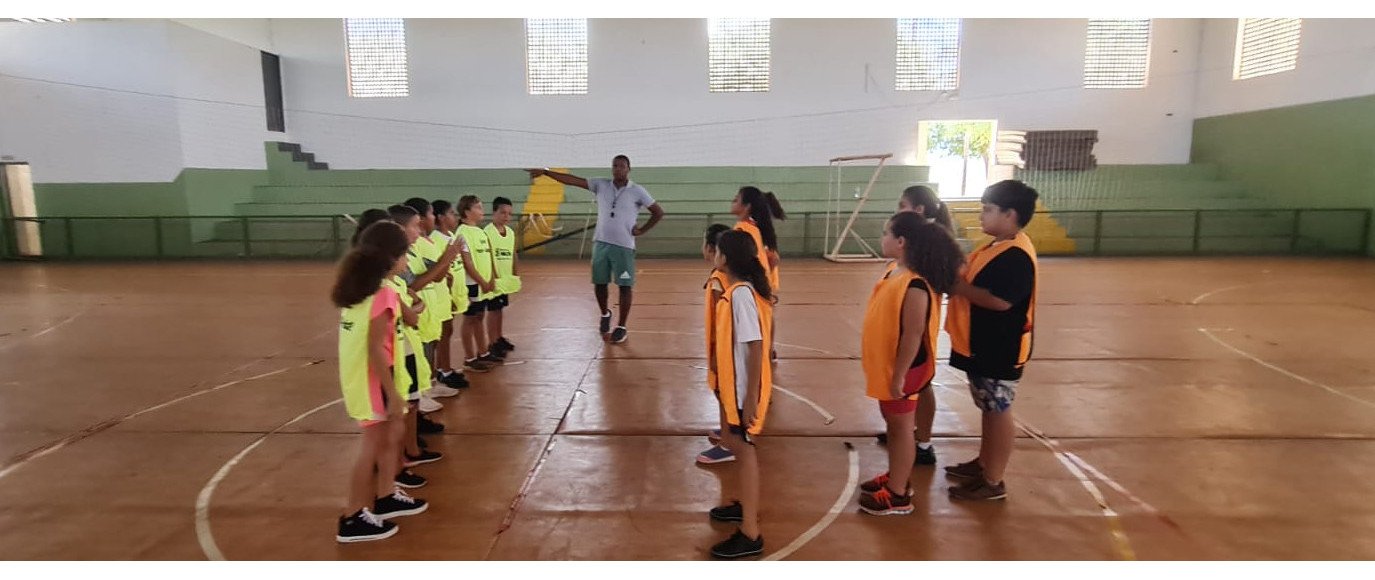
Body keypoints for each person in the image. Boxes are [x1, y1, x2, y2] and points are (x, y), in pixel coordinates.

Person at [856, 213, 963, 516]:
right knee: (893, 425)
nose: (882, 238)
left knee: (902, 428)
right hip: (889, 367)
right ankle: (897, 476)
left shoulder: (915, 284)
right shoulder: (895, 271)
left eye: (886, 233)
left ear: (901, 241)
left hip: (904, 370)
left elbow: (913, 335)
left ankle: (898, 494)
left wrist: (899, 376)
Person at [943, 180, 1040, 502]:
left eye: (988, 209)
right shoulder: (996, 247)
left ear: (1010, 214)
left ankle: (994, 480)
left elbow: (1000, 300)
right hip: (983, 345)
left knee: (999, 410)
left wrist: (958, 288)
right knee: (988, 407)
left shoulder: (1016, 255)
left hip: (1001, 348)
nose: (981, 215)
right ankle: (985, 463)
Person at [526, 155, 664, 343]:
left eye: (622, 166)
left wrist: (642, 230)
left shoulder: (637, 191)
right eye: (615, 166)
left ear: (629, 169)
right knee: (600, 283)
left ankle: (621, 326)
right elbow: (573, 181)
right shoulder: (601, 185)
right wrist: (546, 172)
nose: (618, 169)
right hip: (601, 244)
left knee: (625, 286)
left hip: (624, 247)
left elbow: (658, 212)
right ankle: (605, 313)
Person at [705, 230, 774, 560]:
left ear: (725, 258)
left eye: (717, 251)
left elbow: (755, 346)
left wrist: (749, 399)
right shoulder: (735, 292)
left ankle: (750, 533)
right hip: (734, 387)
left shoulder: (742, 295)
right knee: (735, 445)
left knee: (744, 451)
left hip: (744, 390)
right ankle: (744, 506)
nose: (713, 255)